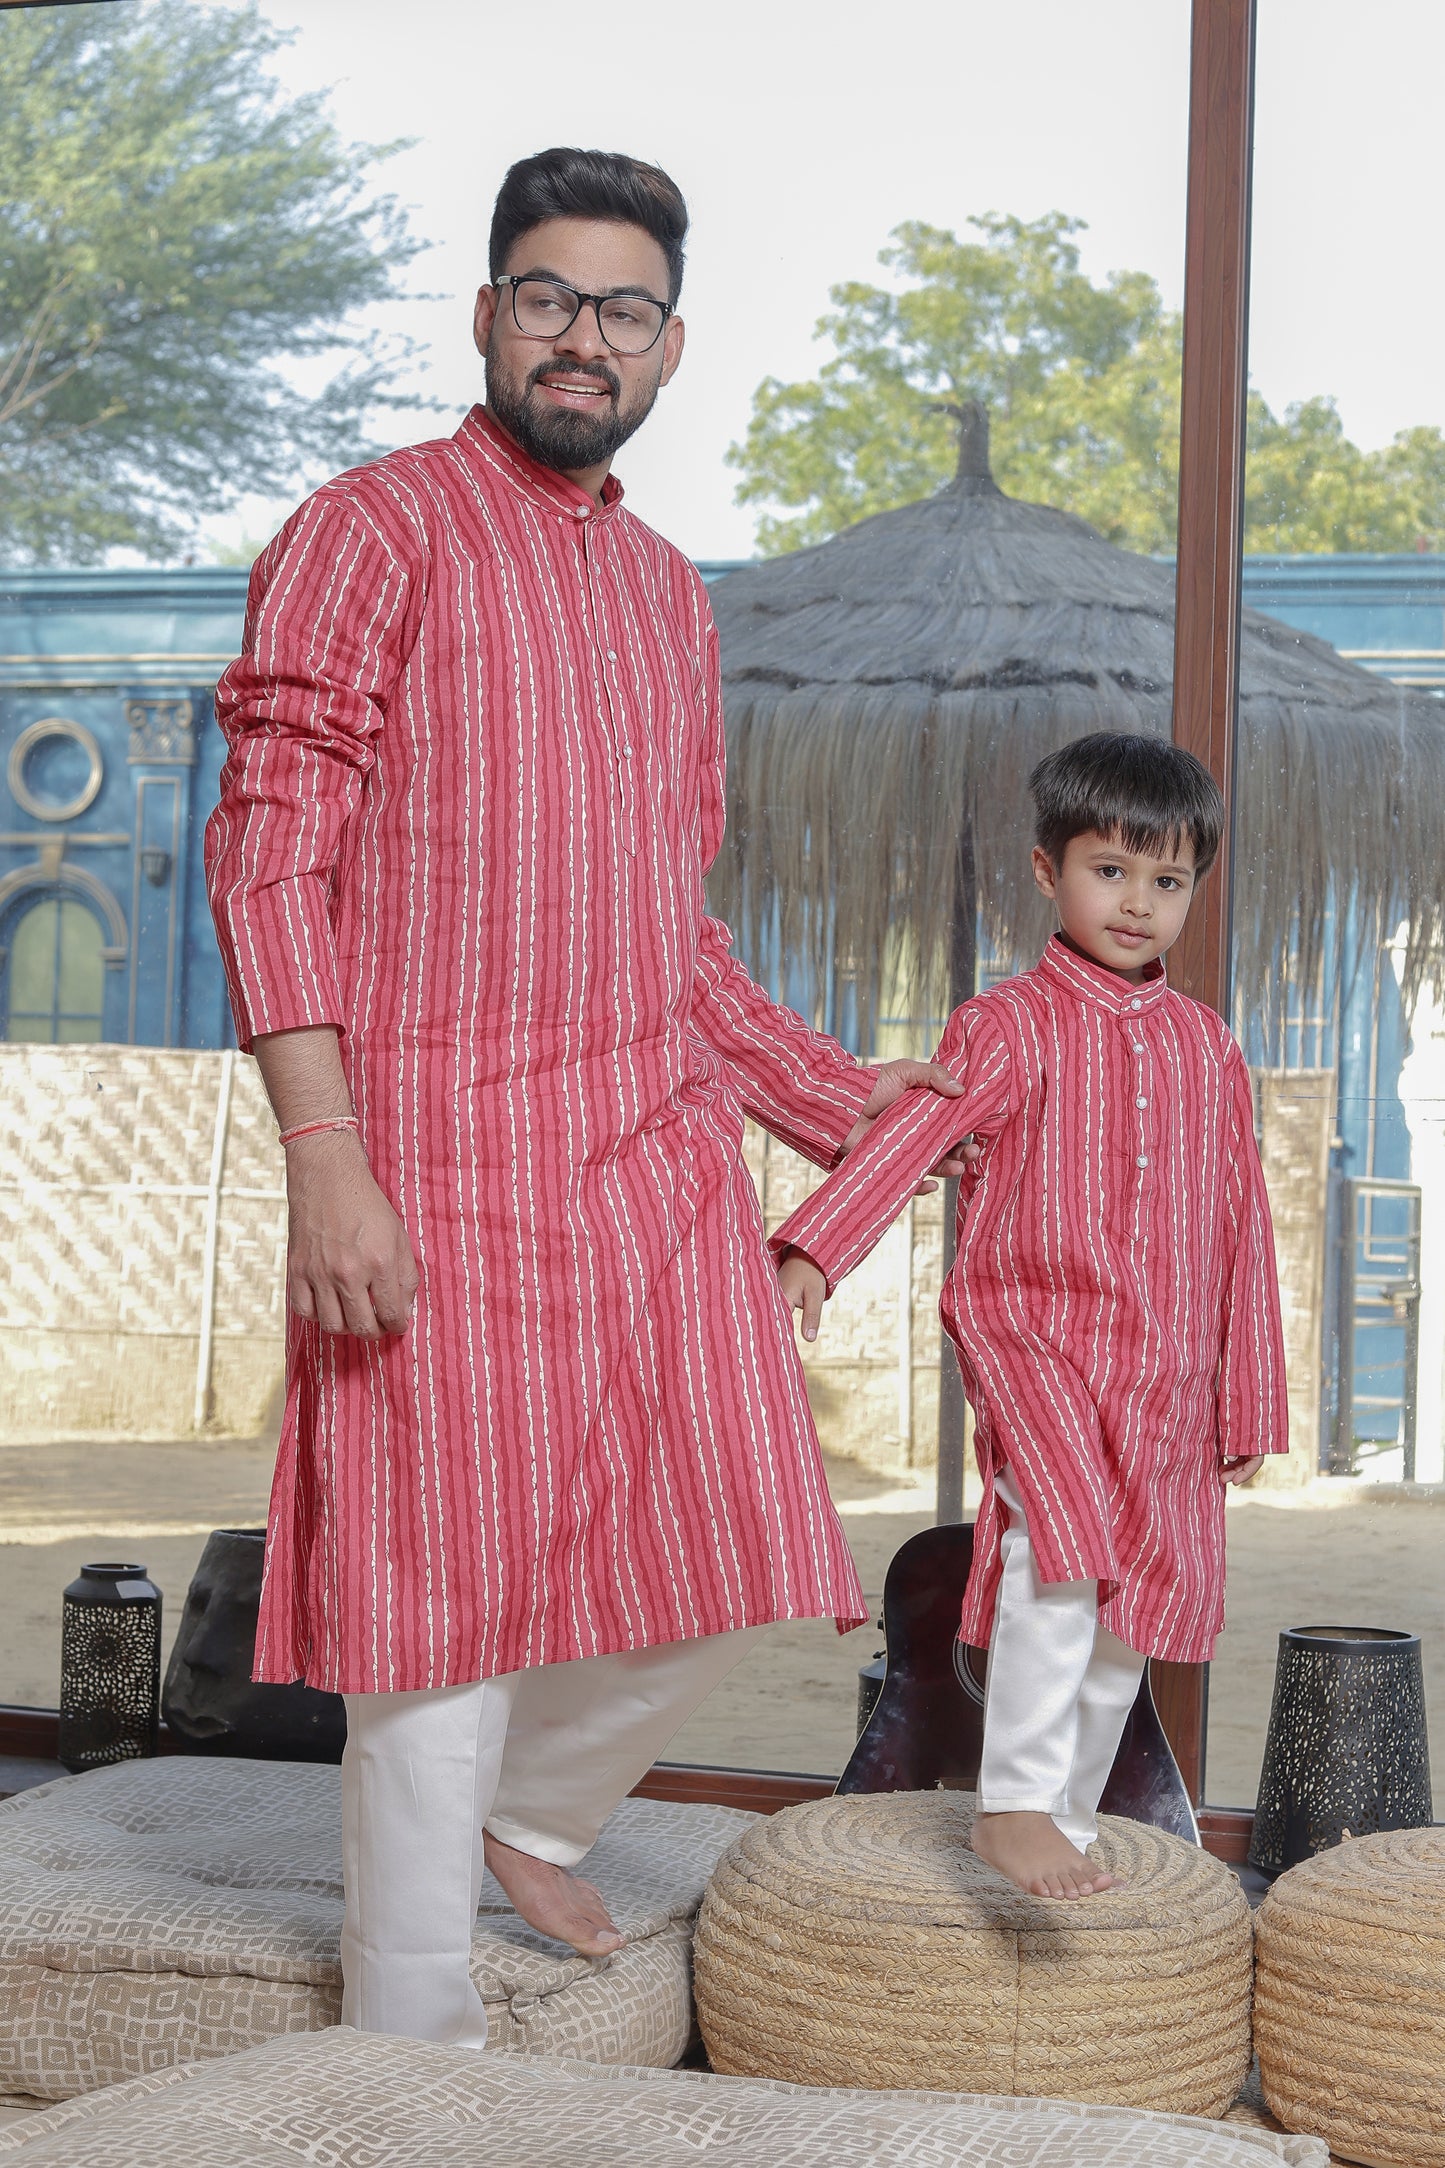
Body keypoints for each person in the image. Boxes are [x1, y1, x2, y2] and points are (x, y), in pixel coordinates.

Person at [204, 145, 968, 2044]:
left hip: (646, 1158)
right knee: (433, 1607)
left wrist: (843, 1098)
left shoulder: (663, 597)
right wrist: (328, 1156)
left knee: (741, 1526)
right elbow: (265, 857)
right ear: (488, 314)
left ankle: (534, 1810)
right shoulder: (369, 529)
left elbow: (670, 934)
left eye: (622, 310)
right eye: (546, 296)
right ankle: (406, 2035)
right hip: (432, 1156)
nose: (582, 338)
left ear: (670, 344)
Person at [773, 732, 1289, 1900]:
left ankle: (1064, 1811)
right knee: (1055, 1548)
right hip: (1037, 1345)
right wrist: (813, 1246)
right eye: (1111, 870)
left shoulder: (1207, 1047)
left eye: (1167, 882)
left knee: (1137, 1594)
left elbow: (1239, 1222)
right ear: (1045, 868)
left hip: (1161, 1376)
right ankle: (1009, 1803)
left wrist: (1245, 1388)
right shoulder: (1004, 1023)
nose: (1139, 902)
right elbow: (910, 1137)